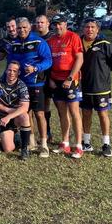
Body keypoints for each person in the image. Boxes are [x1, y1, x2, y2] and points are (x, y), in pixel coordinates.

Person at [8, 17, 53, 157]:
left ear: (30, 27)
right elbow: (10, 62)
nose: (22, 30)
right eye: (19, 28)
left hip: (36, 84)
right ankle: (31, 141)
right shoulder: (14, 43)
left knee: (40, 114)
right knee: (26, 114)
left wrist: (35, 68)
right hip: (21, 86)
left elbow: (48, 61)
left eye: (24, 27)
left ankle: (44, 144)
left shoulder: (39, 41)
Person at [80, 19, 112, 157]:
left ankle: (106, 144)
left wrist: (102, 72)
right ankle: (86, 142)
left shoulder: (105, 45)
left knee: (102, 114)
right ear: (83, 29)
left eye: (92, 27)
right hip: (83, 87)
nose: (89, 29)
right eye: (87, 27)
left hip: (101, 88)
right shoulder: (78, 42)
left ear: (97, 30)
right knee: (86, 114)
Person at [48, 15, 84, 159]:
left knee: (75, 112)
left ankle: (79, 145)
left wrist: (70, 78)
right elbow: (48, 61)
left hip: (70, 80)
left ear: (65, 24)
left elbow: (79, 59)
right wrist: (50, 78)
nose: (58, 27)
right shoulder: (51, 40)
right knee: (62, 113)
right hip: (56, 81)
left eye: (60, 24)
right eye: (55, 24)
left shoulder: (73, 37)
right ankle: (65, 143)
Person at [0, 61, 32, 159]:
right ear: (6, 70)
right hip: (2, 119)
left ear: (18, 73)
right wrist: (7, 110)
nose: (11, 73)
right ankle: (16, 137)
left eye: (14, 71)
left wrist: (9, 116)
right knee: (8, 149)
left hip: (13, 117)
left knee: (24, 116)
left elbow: (25, 107)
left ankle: (25, 149)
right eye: (9, 70)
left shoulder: (21, 85)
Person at [35, 14, 55, 143]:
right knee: (42, 106)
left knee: (59, 106)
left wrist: (53, 77)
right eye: (37, 23)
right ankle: (46, 132)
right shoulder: (34, 38)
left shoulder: (53, 37)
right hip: (39, 77)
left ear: (48, 23)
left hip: (54, 77)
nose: (39, 25)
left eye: (42, 22)